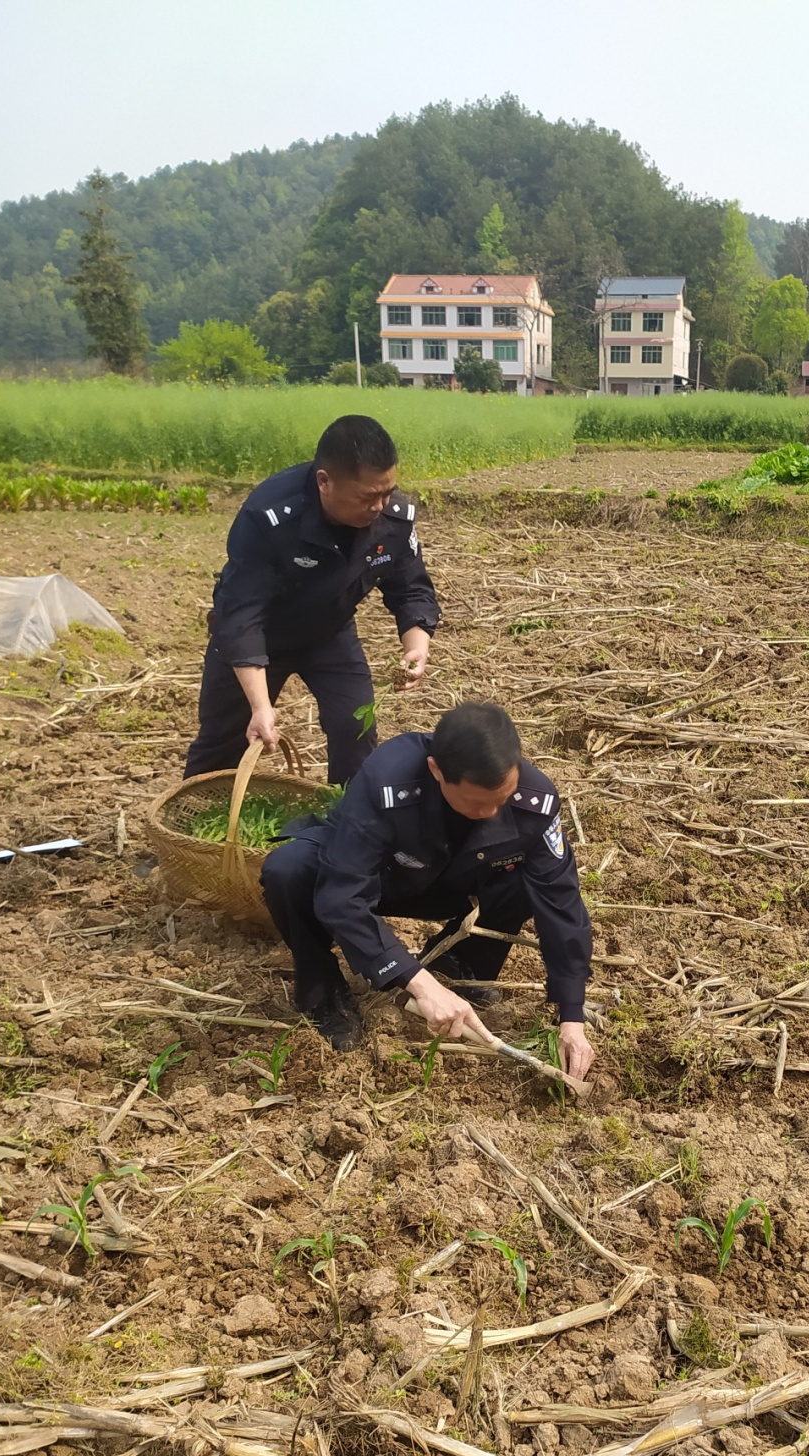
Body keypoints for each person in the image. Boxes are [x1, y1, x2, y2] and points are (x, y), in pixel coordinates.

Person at [259, 701, 596, 1083]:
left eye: (502, 798)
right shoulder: (387, 781)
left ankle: (459, 967)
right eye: (477, 803)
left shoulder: (536, 801)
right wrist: (417, 981)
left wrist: (572, 1015)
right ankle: (323, 993)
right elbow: (343, 894)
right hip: (383, 879)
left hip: (456, 884)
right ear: (436, 771)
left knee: (524, 877)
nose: (492, 813)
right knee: (289, 869)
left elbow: (561, 901)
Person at [184, 414, 439, 787]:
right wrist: (259, 706)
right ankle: (194, 832)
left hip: (328, 633)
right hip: (255, 637)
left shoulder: (393, 519)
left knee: (354, 727)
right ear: (324, 482)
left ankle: (347, 824)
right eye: (368, 497)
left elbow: (412, 588)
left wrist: (417, 647)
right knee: (224, 741)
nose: (380, 505)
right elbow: (241, 613)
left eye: (388, 492)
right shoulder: (269, 516)